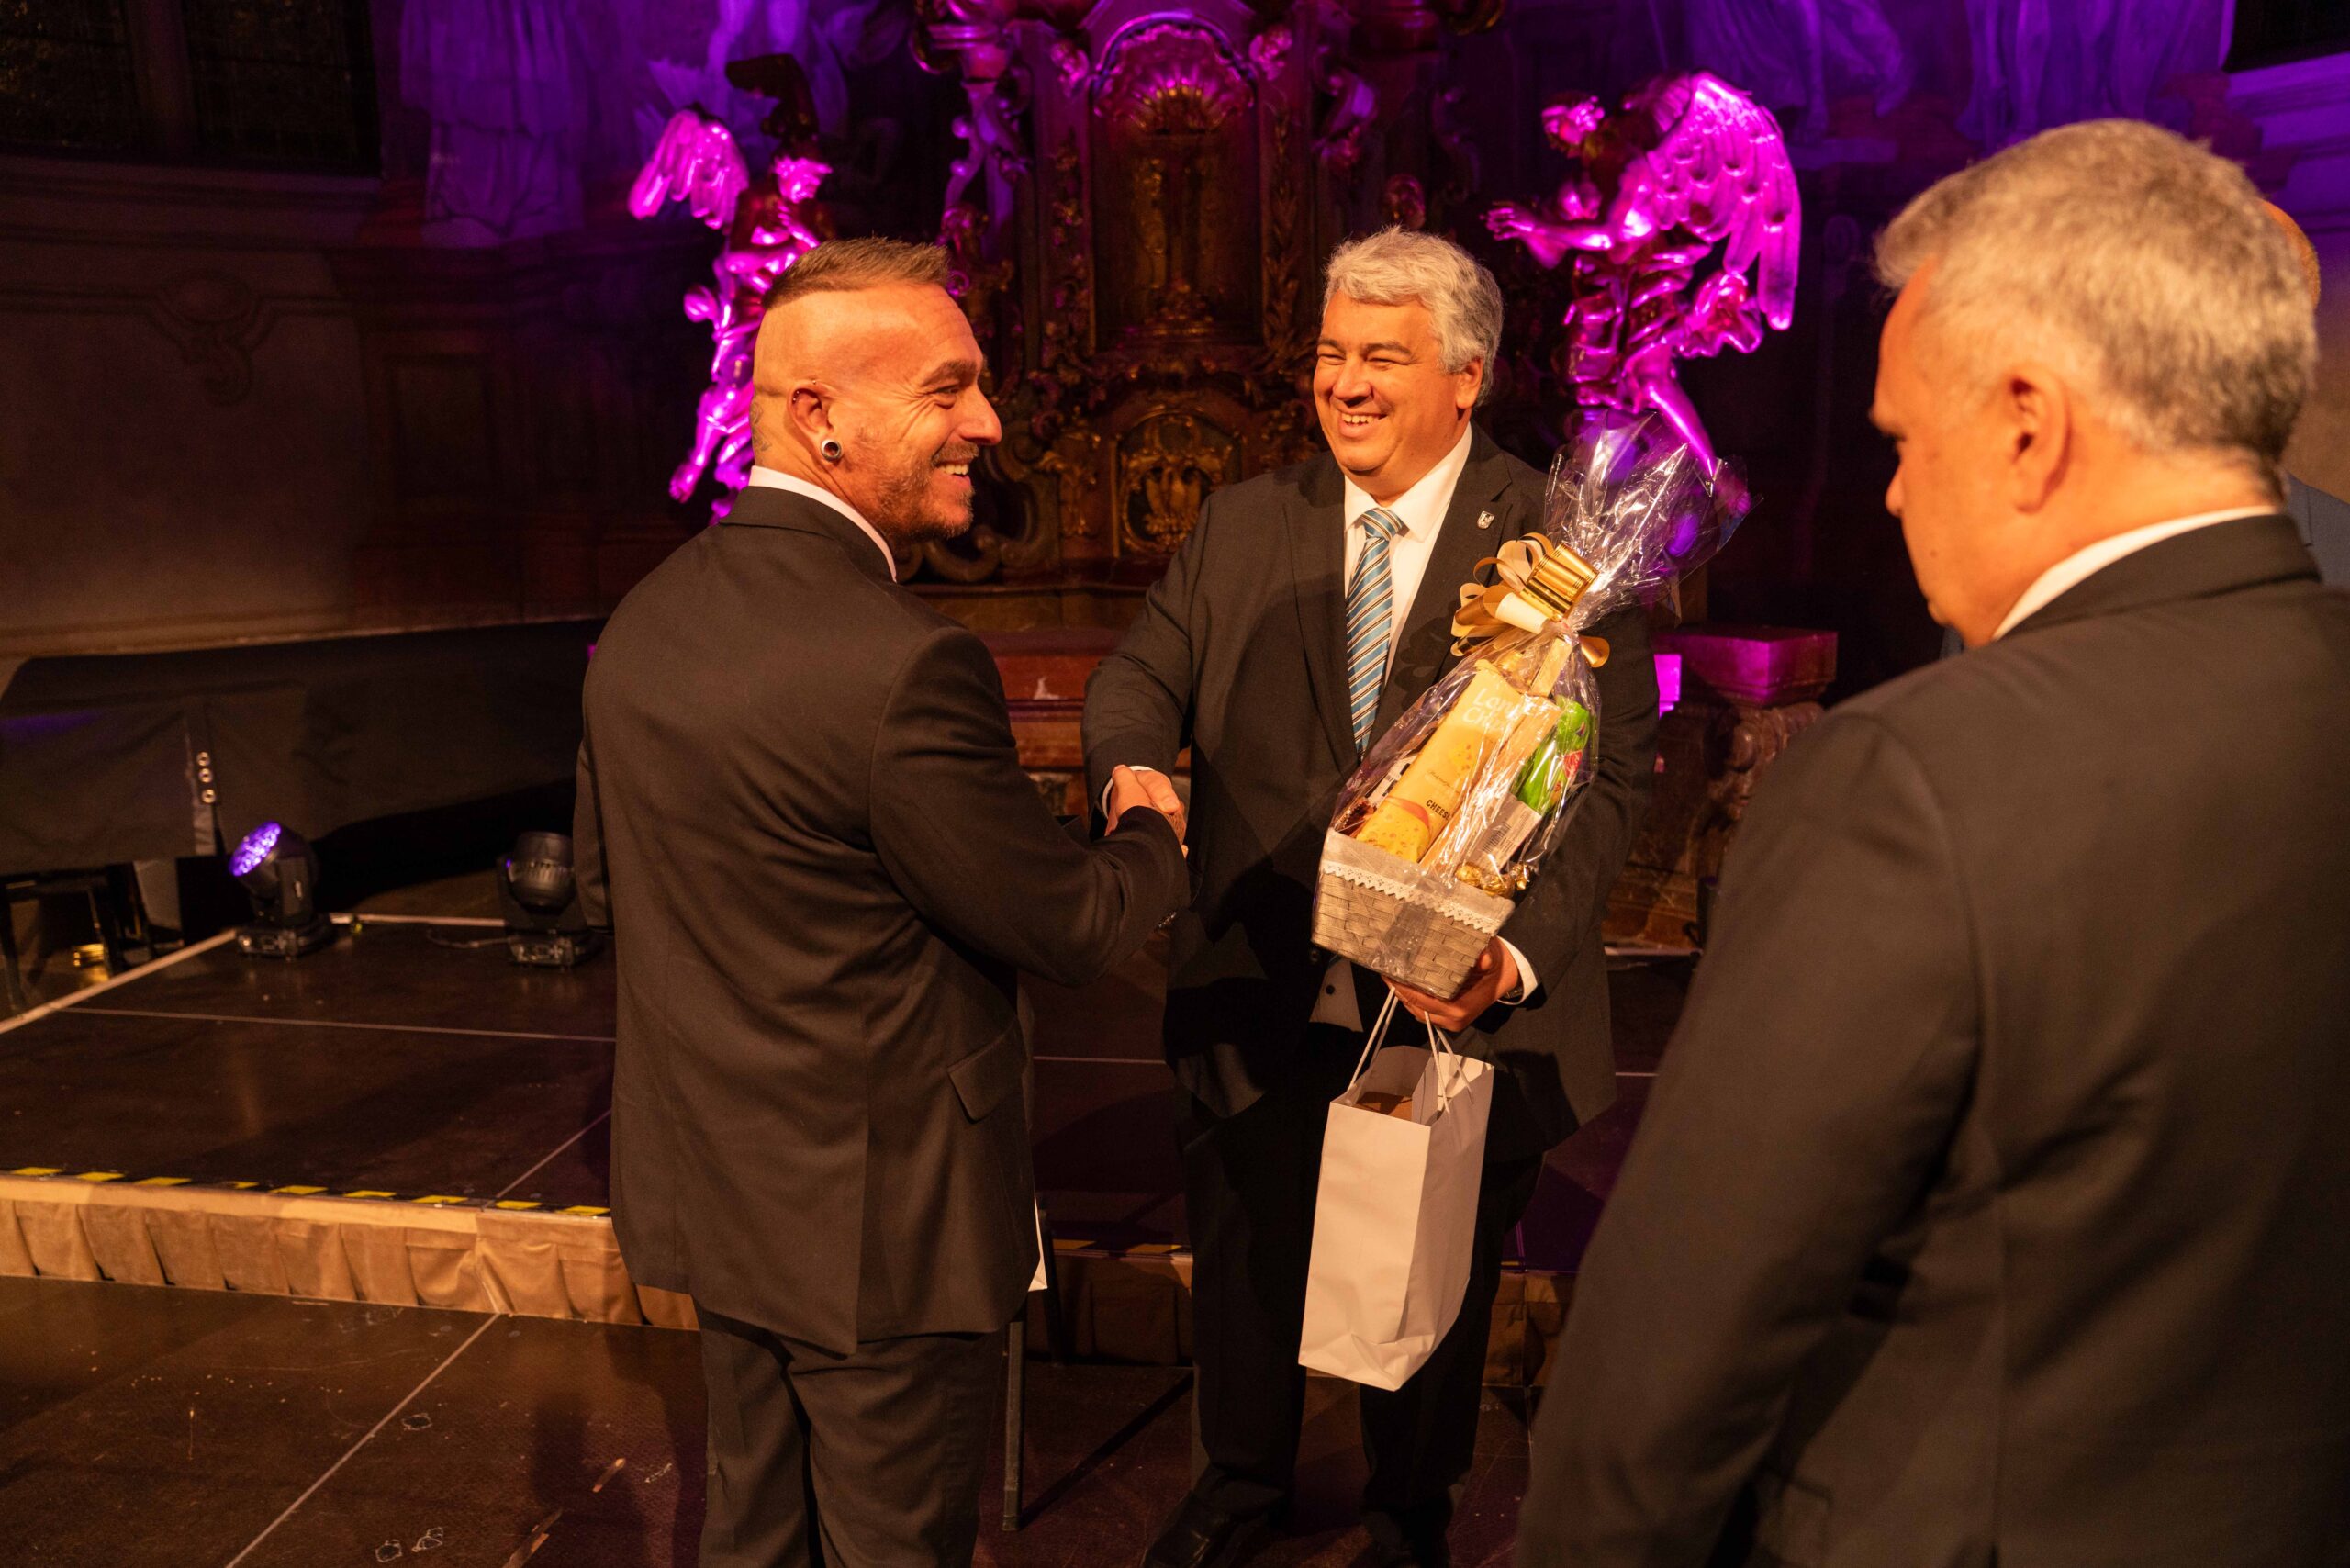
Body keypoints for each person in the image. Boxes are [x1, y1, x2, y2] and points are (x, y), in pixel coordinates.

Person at [1517, 119, 2350, 1567]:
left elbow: (1670, 1365)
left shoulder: (1909, 783)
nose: (1895, 493)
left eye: (1904, 441)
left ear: (2029, 424)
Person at [572, 238, 1189, 1568]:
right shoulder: (908, 665)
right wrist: (1150, 826)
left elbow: (610, 886)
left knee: (753, 1534)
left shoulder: (643, 623)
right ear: (819, 418)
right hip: (885, 1234)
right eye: (945, 390)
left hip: (719, 1197)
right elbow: (1069, 924)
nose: (989, 423)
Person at [1085, 228, 1658, 1568]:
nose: (1345, 384)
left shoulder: (1562, 543)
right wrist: (1129, 767)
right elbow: (1138, 675)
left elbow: (1614, 777)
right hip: (1259, 975)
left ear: (1467, 376)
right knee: (1247, 1257)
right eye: (1332, 354)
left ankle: (1412, 1511)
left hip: (1452, 997)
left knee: (1431, 1277)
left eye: (1382, 358)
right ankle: (1239, 1485)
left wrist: (1509, 959)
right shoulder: (1244, 521)